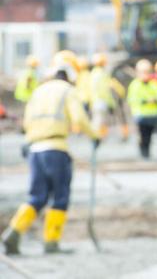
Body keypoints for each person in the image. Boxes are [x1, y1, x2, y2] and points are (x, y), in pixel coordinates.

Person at [1, 50, 100, 254]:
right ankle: (51, 242)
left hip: (35, 149)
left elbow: (27, 122)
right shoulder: (67, 91)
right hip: (56, 149)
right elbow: (79, 119)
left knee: (37, 196)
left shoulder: (39, 90)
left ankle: (13, 232)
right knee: (60, 196)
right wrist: (95, 136)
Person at [127, 59, 157, 159]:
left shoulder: (154, 84)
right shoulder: (135, 85)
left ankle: (147, 153)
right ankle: (144, 153)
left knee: (149, 136)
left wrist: (155, 100)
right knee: (143, 136)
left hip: (152, 116)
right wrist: (144, 101)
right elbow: (132, 99)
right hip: (140, 116)